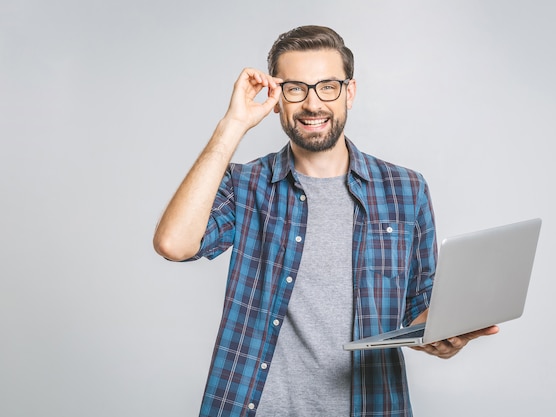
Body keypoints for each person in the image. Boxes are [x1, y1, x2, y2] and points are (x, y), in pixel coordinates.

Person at [153, 25, 498, 417]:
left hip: (371, 406)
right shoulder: (246, 184)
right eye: (295, 88)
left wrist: (442, 334)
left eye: (327, 86)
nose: (313, 103)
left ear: (349, 92)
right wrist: (232, 125)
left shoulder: (406, 189)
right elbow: (174, 244)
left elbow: (418, 309)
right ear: (277, 99)